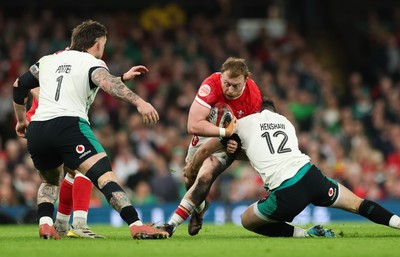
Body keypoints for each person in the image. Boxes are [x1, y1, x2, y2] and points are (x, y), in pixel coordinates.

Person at [12, 19, 169, 240]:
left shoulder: (48, 60)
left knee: (49, 181)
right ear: (96, 43)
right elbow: (105, 83)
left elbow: (19, 85)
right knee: (104, 175)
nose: (103, 49)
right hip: (69, 125)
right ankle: (136, 224)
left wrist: (20, 121)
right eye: (103, 44)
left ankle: (46, 224)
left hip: (38, 128)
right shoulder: (90, 61)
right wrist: (139, 102)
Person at [163, 98, 400, 237]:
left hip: (287, 191)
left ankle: (304, 234)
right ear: (275, 112)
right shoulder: (286, 123)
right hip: (311, 175)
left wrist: (194, 164)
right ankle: (397, 222)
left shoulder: (245, 122)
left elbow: (214, 147)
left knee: (247, 220)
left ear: (258, 110)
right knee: (358, 204)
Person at [161, 57, 262, 236]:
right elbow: (192, 125)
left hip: (227, 141)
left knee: (205, 177)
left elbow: (250, 132)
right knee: (189, 178)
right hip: (206, 134)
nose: (229, 90)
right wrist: (224, 132)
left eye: (235, 85)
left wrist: (235, 142)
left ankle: (170, 225)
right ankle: (199, 210)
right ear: (221, 76)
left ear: (245, 81)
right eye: (226, 83)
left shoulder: (254, 96)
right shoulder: (211, 84)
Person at [27, 87, 103, 238]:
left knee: (68, 173)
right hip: (51, 123)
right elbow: (32, 87)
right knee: (85, 166)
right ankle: (79, 224)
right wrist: (58, 106)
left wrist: (123, 77)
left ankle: (60, 224)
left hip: (40, 125)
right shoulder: (54, 66)